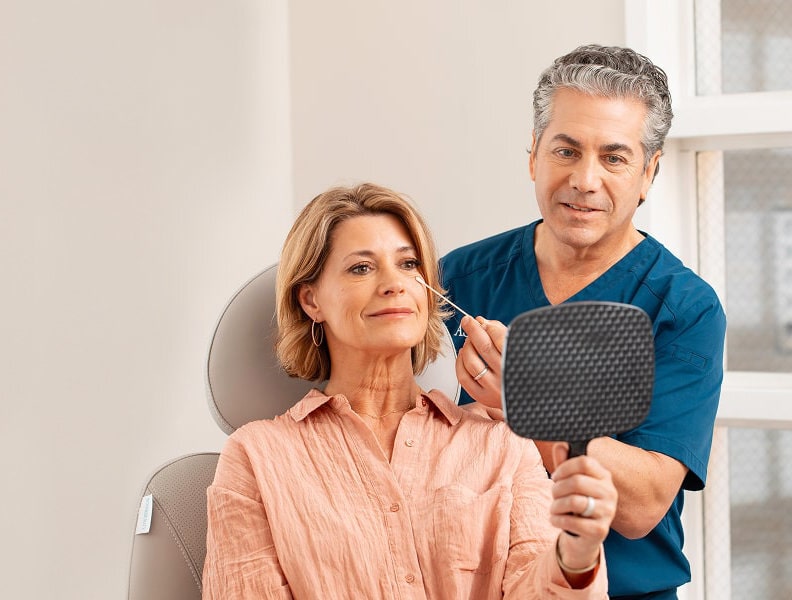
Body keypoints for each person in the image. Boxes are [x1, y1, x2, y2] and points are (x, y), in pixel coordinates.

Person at [204, 183, 620, 599]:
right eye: (361, 268)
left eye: (408, 264)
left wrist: (575, 554)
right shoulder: (256, 458)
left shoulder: (501, 445)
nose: (394, 284)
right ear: (311, 300)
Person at [441, 45, 725, 600]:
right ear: (533, 157)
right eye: (565, 150)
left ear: (649, 173)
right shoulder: (459, 277)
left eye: (614, 158)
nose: (584, 179)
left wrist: (526, 403)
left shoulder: (683, 308)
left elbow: (642, 506)